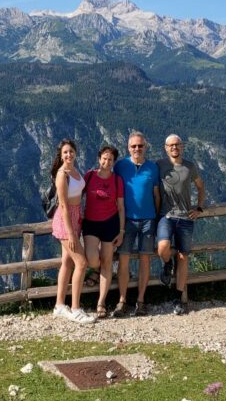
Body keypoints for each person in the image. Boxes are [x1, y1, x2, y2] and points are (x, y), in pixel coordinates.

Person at [113, 131, 160, 317]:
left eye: (140, 146)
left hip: (148, 219)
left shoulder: (153, 168)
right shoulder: (120, 166)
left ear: (145, 147)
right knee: (123, 260)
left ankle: (140, 300)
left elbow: (156, 194)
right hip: (126, 221)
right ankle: (122, 300)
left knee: (145, 260)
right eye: (133, 146)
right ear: (128, 148)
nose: (137, 149)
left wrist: (155, 216)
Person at [157, 134, 205, 315]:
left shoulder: (190, 166)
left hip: (185, 217)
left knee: (184, 258)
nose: (174, 148)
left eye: (177, 145)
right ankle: (167, 263)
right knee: (162, 247)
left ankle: (178, 298)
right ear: (165, 147)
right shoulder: (159, 165)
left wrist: (199, 208)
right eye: (171, 145)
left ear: (182, 147)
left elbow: (200, 186)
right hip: (166, 216)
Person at [49, 139, 95, 324]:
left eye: (71, 151)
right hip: (65, 221)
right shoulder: (62, 174)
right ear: (61, 156)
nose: (69, 155)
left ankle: (59, 306)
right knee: (82, 263)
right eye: (65, 153)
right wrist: (71, 234)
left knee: (67, 263)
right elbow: (63, 206)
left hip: (76, 218)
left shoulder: (75, 171)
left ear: (75, 153)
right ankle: (75, 308)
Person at [82, 145, 125, 319]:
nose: (107, 162)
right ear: (99, 159)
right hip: (91, 223)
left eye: (110, 159)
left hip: (110, 223)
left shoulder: (117, 180)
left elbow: (121, 207)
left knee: (107, 262)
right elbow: (77, 195)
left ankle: (101, 302)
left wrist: (121, 231)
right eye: (104, 158)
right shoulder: (90, 176)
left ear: (114, 162)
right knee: (92, 259)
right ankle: (96, 270)